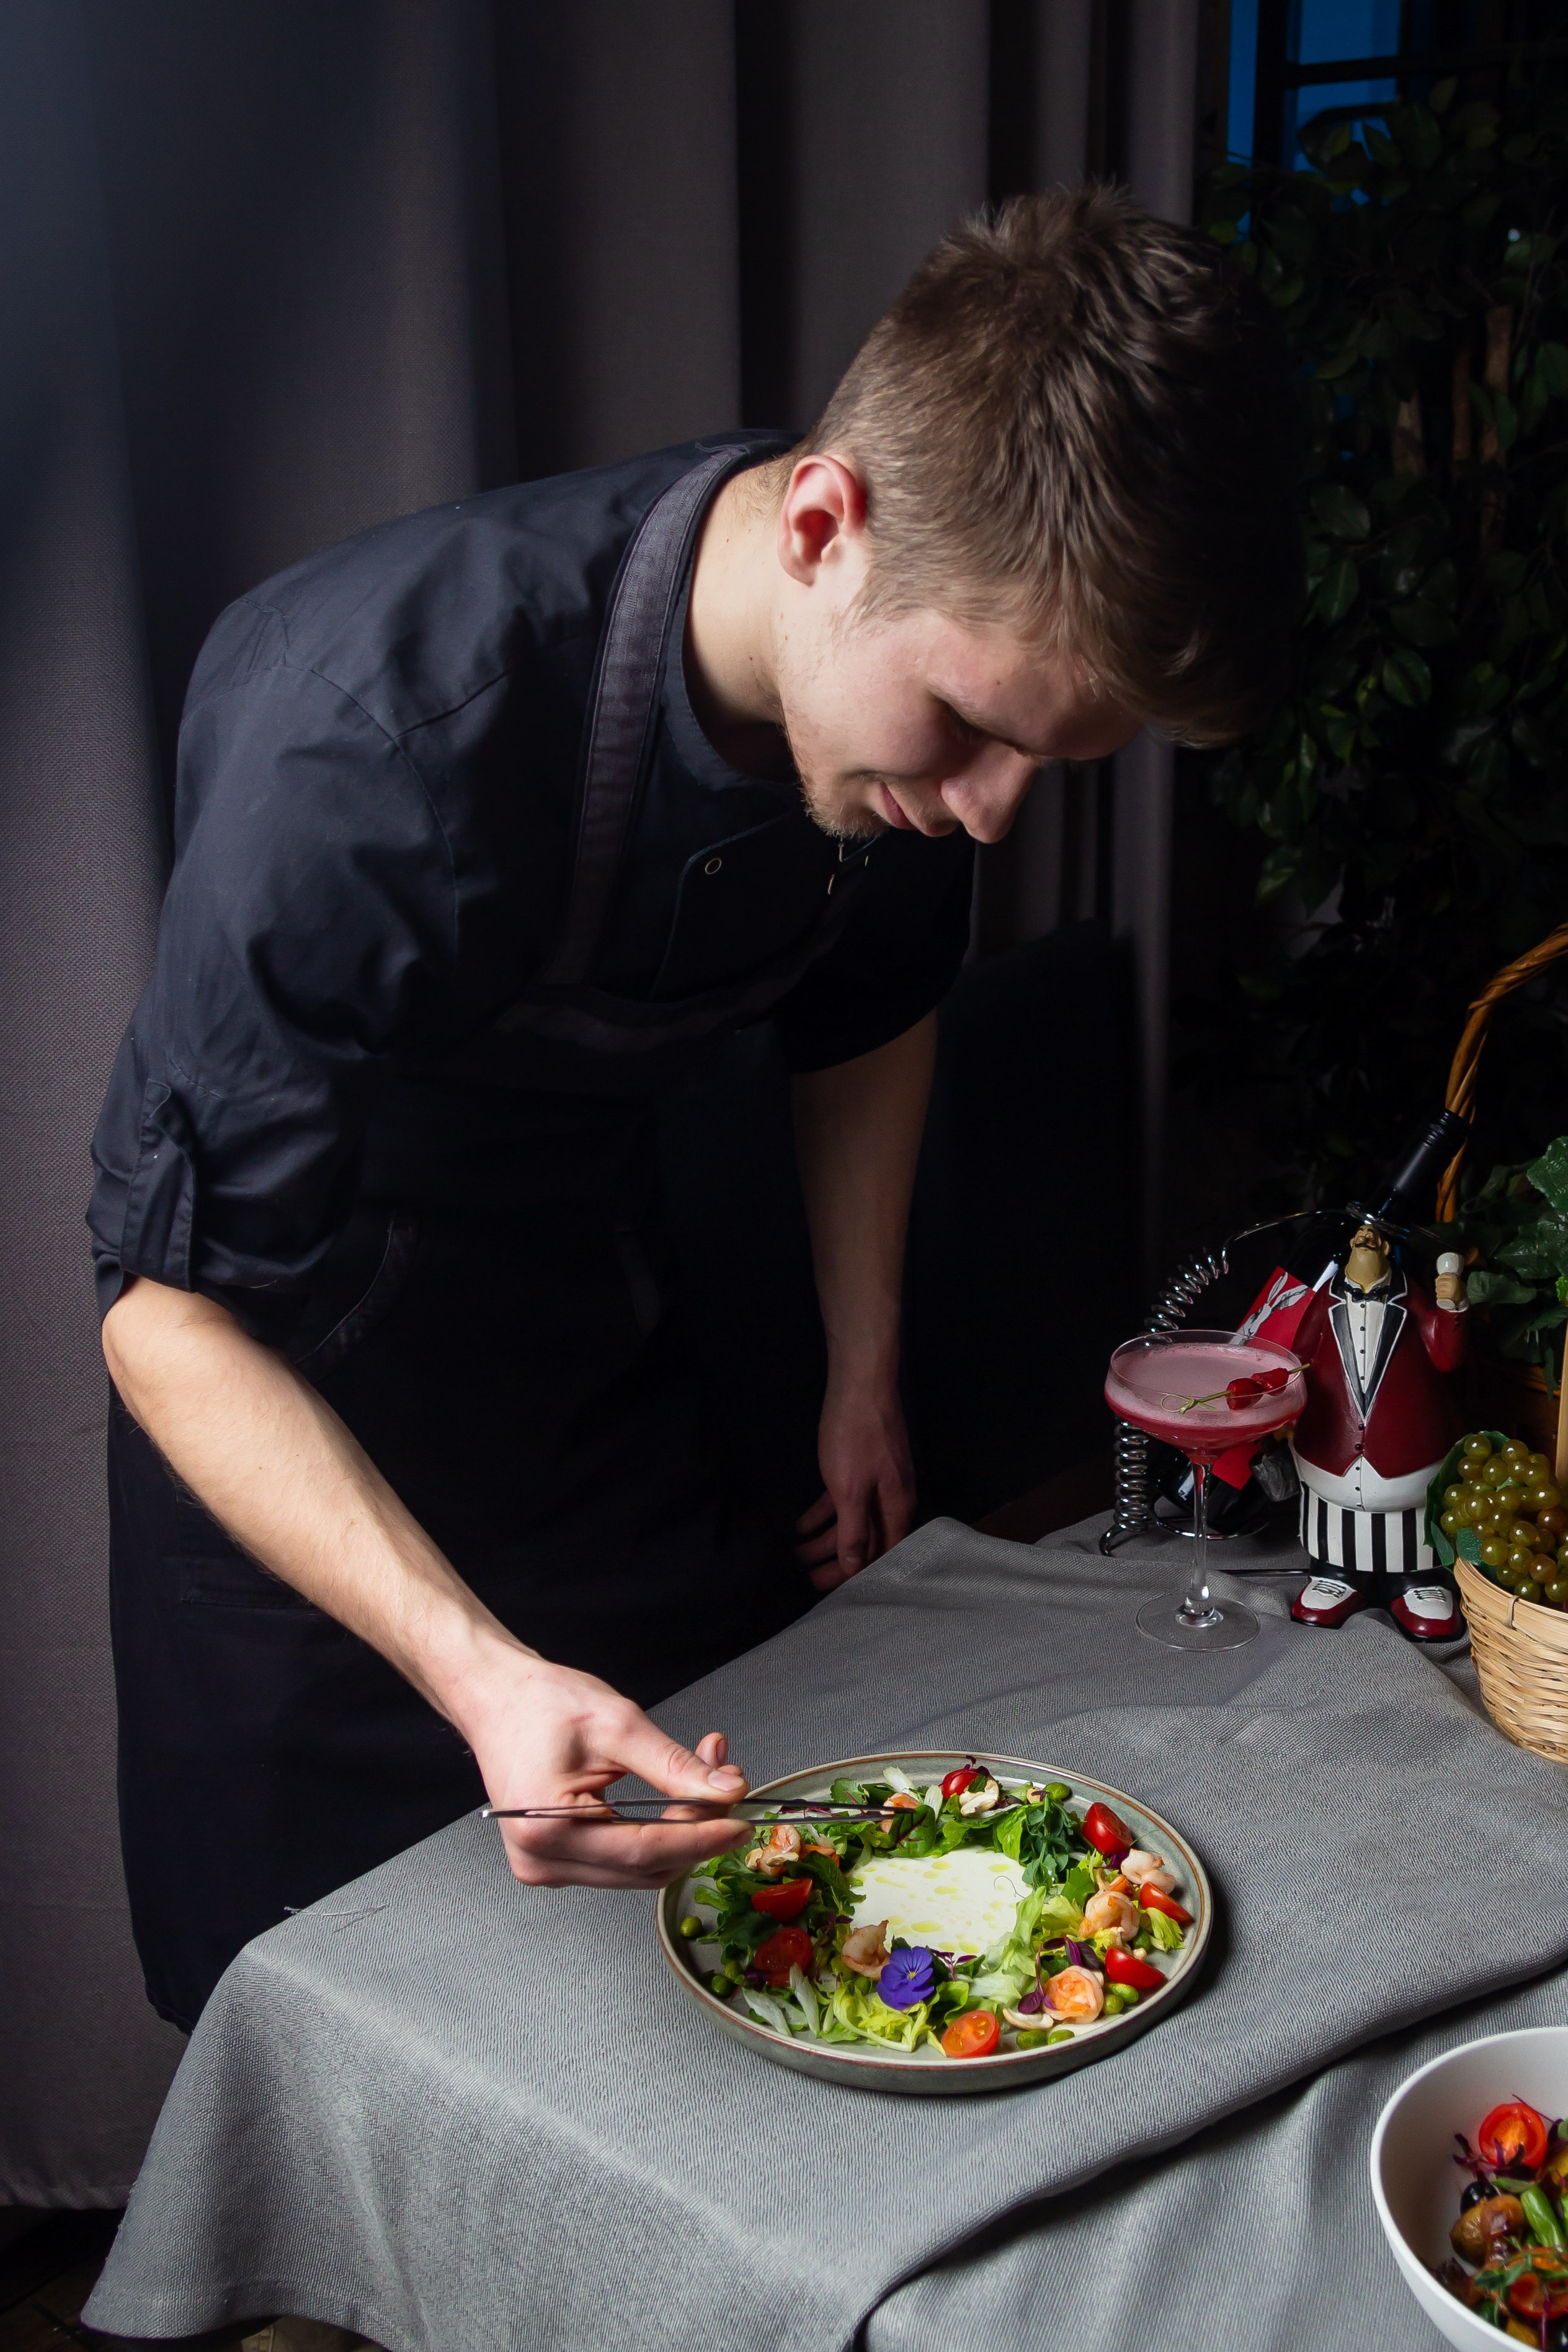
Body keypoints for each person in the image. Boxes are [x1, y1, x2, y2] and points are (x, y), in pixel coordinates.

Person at [91, 188, 1301, 2027]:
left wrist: (857, 1368)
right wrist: (474, 1671)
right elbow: (165, 1313)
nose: (988, 814)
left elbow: (867, 1014)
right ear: (822, 524)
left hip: (595, 1370)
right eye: (967, 734)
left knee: (682, 2011)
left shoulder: (900, 724)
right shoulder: (378, 741)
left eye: (1048, 766)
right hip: (300, 1452)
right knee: (352, 2068)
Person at [1290, 1226, 1468, 1640]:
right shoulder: (1325, 1298)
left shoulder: (1416, 1298)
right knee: (1333, 1513)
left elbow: (1446, 1356)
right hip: (1331, 1442)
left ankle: (1420, 1580)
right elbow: (1298, 1356)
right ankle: (1335, 1573)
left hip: (1406, 1446)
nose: (1364, 1240)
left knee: (1415, 1509)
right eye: (1358, 1235)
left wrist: (1453, 1305)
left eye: (1373, 1236)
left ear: (1389, 1247)